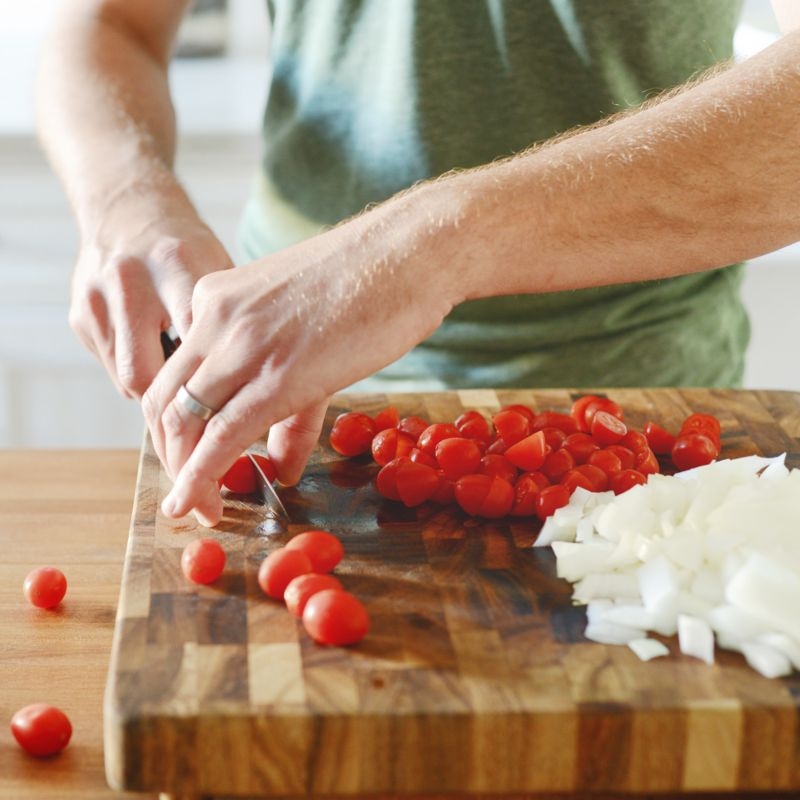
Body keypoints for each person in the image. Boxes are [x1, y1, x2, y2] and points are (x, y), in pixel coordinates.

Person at [37, 1, 800, 527]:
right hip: (276, 373)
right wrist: (126, 199)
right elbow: (108, 22)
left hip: (640, 392)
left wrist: (435, 242)